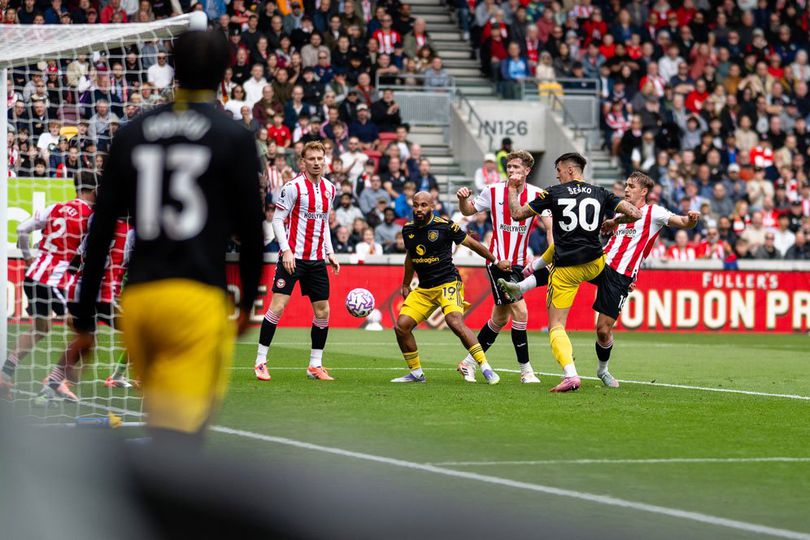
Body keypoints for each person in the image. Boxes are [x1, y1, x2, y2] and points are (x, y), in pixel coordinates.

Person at [70, 27, 265, 448]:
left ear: (171, 68)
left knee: (163, 422)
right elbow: (252, 232)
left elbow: (100, 229)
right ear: (225, 73)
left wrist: (84, 321)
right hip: (194, 302)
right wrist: (248, 303)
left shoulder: (131, 133)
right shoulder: (233, 137)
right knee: (183, 438)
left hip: (138, 302)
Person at [501, 153, 641, 392]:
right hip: (595, 262)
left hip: (567, 269)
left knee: (556, 325)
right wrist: (614, 222)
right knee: (566, 248)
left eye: (558, 169)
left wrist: (513, 188)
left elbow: (516, 213)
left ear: (570, 170)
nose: (556, 174)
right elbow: (636, 214)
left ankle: (570, 375)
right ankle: (529, 275)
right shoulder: (601, 192)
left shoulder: (553, 192)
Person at [454, 150, 552, 383]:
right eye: (509, 167)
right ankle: (526, 371)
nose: (511, 171)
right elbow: (468, 211)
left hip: (520, 264)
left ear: (527, 171)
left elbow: (549, 225)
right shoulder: (493, 190)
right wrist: (462, 199)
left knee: (499, 319)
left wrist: (552, 250)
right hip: (498, 262)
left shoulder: (538, 194)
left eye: (517, 168)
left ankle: (467, 363)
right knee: (521, 312)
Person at [392, 191, 510, 384]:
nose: (419, 209)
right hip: (424, 288)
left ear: (432, 206)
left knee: (454, 321)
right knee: (401, 327)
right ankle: (416, 373)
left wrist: (496, 261)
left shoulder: (445, 226)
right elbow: (410, 257)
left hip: (448, 282)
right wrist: (405, 283)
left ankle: (485, 367)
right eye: (415, 205)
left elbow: (472, 244)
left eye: (423, 205)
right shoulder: (408, 230)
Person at [0, 172, 96, 398]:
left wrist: (27, 257)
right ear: (93, 190)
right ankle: (55, 381)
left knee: (40, 329)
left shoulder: (55, 207)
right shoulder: (91, 216)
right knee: (85, 333)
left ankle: (5, 375)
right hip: (55, 280)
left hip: (33, 275)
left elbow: (22, 229)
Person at [255, 141, 341, 381]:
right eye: (311, 159)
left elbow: (323, 223)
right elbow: (277, 220)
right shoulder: (292, 187)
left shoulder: (330, 189)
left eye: (319, 158)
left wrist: (330, 252)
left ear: (325, 160)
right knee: (278, 306)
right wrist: (286, 251)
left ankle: (315, 365)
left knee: (323, 311)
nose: (316, 163)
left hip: (315, 261)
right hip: (292, 258)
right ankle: (261, 361)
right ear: (302, 161)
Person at [36, 218, 135, 403]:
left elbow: (76, 256)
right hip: (104, 295)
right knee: (139, 330)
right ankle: (126, 377)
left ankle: (53, 383)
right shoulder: (131, 232)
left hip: (79, 289)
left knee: (86, 339)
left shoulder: (98, 224)